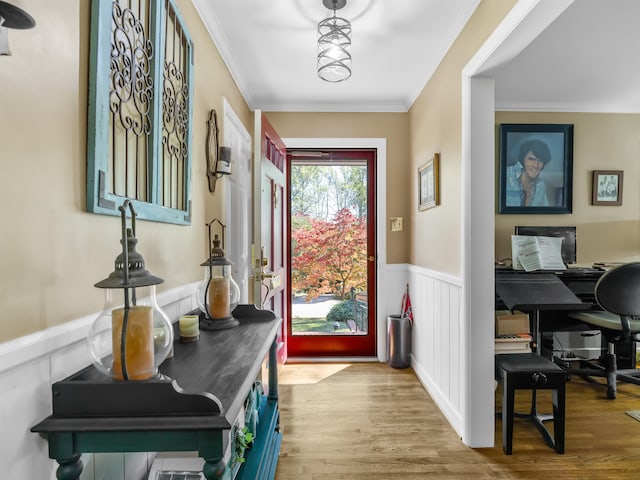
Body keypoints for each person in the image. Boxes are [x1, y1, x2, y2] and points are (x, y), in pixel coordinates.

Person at [505, 138, 551, 207]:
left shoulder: (540, 186)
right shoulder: (506, 175)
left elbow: (545, 214)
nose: (536, 165)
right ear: (523, 159)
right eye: (531, 159)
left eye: (540, 161)